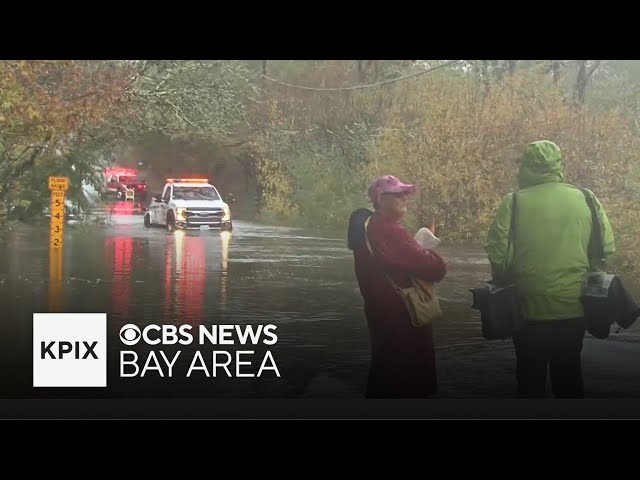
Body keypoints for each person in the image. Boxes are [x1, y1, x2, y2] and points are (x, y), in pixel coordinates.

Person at [485, 140, 615, 398]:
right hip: (574, 307)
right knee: (569, 377)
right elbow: (606, 249)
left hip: (526, 309)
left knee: (529, 379)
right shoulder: (587, 198)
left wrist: (505, 277)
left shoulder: (514, 202)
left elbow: (498, 255)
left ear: (525, 167)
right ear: (559, 165)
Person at [347, 175, 447, 398]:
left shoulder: (367, 226)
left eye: (406, 194)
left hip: (380, 311)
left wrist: (415, 248)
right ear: (381, 199)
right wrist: (428, 251)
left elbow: (395, 261)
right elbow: (436, 269)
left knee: (385, 372)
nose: (405, 198)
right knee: (408, 380)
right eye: (399, 194)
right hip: (402, 315)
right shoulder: (389, 230)